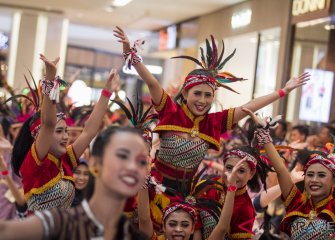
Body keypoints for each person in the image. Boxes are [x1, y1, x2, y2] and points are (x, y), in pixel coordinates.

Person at [113, 26, 309, 187]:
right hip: (153, 186)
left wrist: (283, 91)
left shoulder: (215, 122)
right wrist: (129, 52)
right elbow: (153, 83)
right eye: (197, 93)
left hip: (187, 192)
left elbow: (249, 105)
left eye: (208, 95)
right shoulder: (170, 111)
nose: (202, 100)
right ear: (185, 93)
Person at [9, 54, 120, 211]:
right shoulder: (35, 163)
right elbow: (48, 124)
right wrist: (50, 78)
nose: (66, 137)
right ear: (38, 136)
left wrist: (106, 93)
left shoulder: (65, 160)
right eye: (60, 131)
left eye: (66, 131)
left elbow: (89, 131)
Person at [0, 126, 150, 239]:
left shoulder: (133, 236)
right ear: (95, 164)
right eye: (123, 156)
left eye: (142, 161)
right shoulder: (61, 223)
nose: (132, 167)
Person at [243, 108, 335, 240]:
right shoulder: (296, 202)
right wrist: (264, 135)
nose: (314, 179)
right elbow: (280, 169)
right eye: (310, 175)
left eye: (321, 175)